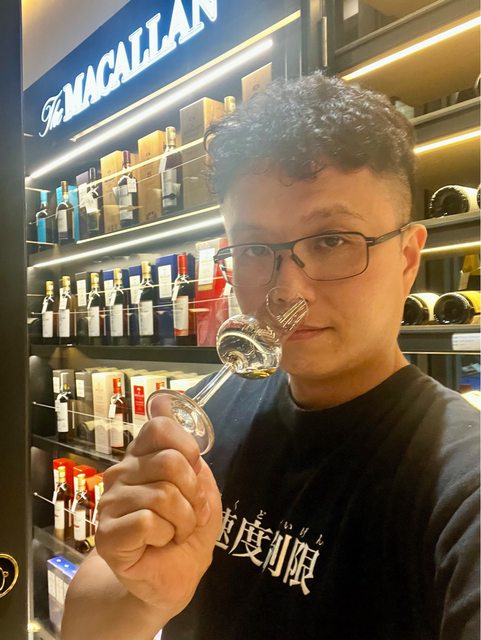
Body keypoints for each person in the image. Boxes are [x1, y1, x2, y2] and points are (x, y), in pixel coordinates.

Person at [63, 72, 480, 640]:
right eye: (256, 248)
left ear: (407, 259)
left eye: (332, 240)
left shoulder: (461, 485)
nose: (287, 291)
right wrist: (145, 596)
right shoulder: (210, 414)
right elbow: (87, 621)